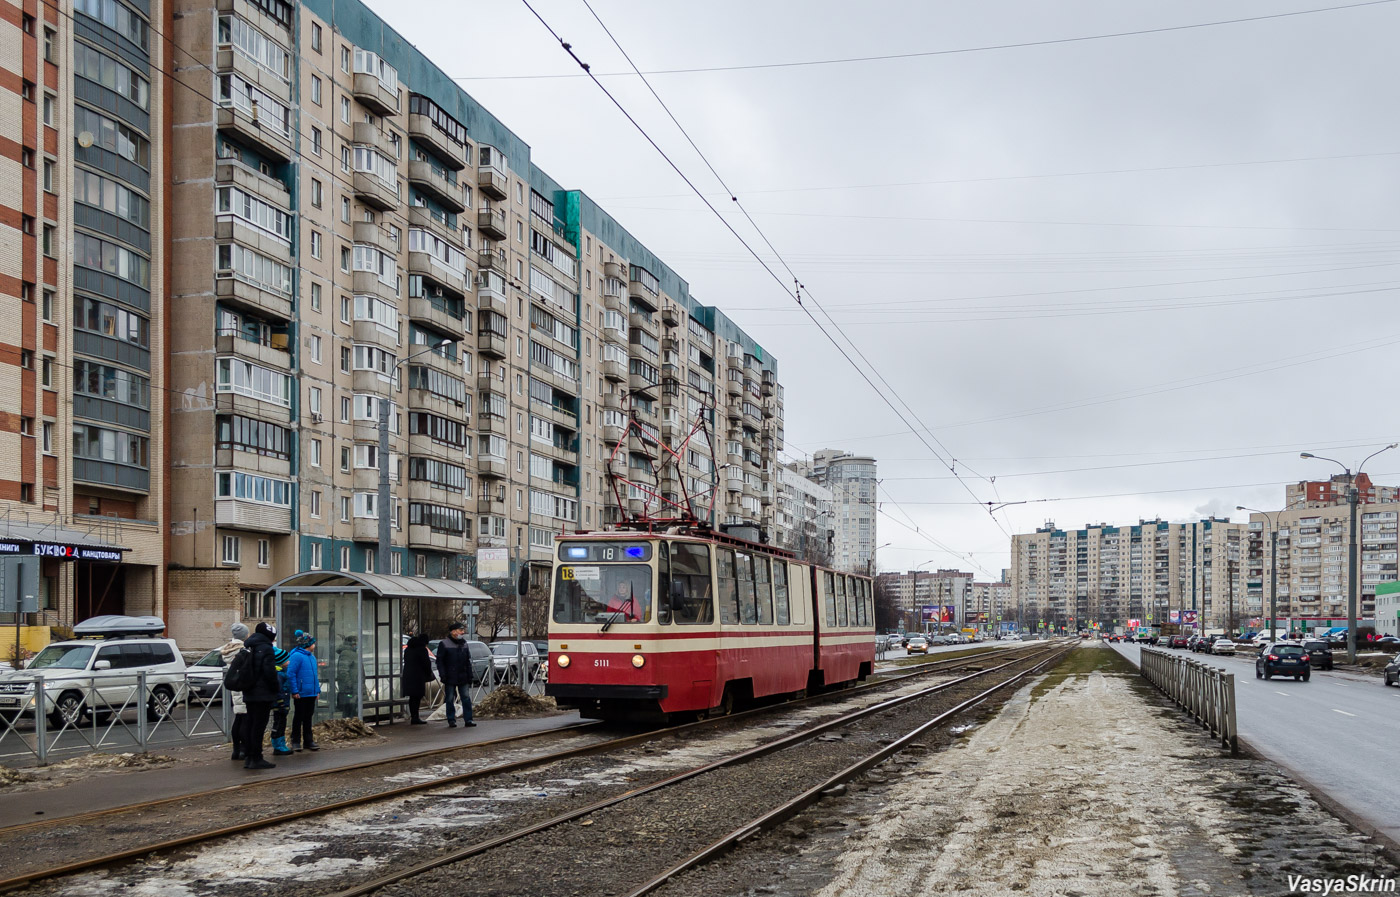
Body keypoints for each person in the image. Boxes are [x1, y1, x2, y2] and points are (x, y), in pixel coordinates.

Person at [240, 622, 280, 770]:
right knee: (258, 726)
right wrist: (276, 688)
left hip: (249, 691)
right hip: (262, 694)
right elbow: (270, 672)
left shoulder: (249, 645)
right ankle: (257, 758)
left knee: (250, 724)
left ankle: (249, 757)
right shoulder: (266, 649)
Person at [435, 623, 476, 728]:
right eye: (460, 630)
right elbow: (440, 661)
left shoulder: (464, 644)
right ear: (453, 632)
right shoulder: (444, 644)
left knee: (466, 698)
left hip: (463, 676)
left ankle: (468, 719)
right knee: (449, 698)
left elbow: (467, 661)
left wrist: (470, 675)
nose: (462, 632)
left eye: (463, 630)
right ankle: (451, 719)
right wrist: (443, 675)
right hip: (450, 676)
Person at [219, 622, 250, 761]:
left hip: (234, 685)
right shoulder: (242, 650)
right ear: (244, 635)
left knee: (238, 717)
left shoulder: (228, 649)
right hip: (244, 685)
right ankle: (243, 749)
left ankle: (236, 750)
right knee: (244, 719)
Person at [286, 630, 321, 751]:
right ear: (307, 644)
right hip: (301, 693)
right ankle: (295, 741)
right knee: (298, 717)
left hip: (311, 692)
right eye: (313, 643)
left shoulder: (312, 657)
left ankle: (308, 740)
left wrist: (317, 690)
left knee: (308, 717)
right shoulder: (296, 656)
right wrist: (295, 691)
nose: (314, 645)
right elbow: (291, 674)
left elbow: (315, 675)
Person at [400, 632, 435, 725]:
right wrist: (428, 673)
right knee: (417, 697)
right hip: (418, 676)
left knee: (412, 697)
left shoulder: (408, 649)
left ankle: (413, 716)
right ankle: (415, 717)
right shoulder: (422, 649)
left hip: (408, 675)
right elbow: (426, 663)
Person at [269, 647, 294, 756]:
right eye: (287, 660)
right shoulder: (279, 674)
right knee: (279, 724)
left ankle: (280, 744)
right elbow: (278, 691)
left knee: (280, 723)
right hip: (280, 704)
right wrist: (281, 703)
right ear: (280, 661)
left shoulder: (281, 672)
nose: (289, 662)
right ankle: (278, 746)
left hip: (282, 703)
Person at [335, 635, 360, 716]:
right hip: (350, 689)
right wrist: (350, 685)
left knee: (352, 711)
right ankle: (348, 727)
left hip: (352, 688)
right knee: (350, 711)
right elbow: (343, 671)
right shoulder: (347, 654)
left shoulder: (351, 653)